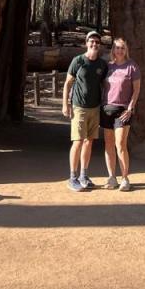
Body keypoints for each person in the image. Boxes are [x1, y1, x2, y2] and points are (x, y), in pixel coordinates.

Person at [63, 31, 108, 192]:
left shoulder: (102, 65)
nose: (94, 44)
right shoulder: (78, 61)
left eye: (97, 41)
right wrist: (65, 105)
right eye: (91, 41)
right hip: (79, 107)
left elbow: (105, 84)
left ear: (100, 45)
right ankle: (72, 177)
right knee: (78, 141)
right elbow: (68, 83)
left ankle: (84, 175)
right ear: (86, 43)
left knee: (89, 141)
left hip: (94, 108)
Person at [100, 37, 140, 192]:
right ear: (113, 50)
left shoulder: (132, 67)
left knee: (120, 145)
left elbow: (136, 90)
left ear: (126, 50)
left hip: (123, 111)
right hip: (106, 109)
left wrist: (130, 108)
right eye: (117, 48)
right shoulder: (108, 67)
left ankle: (125, 178)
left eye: (122, 48)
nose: (119, 50)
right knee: (108, 144)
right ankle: (112, 177)